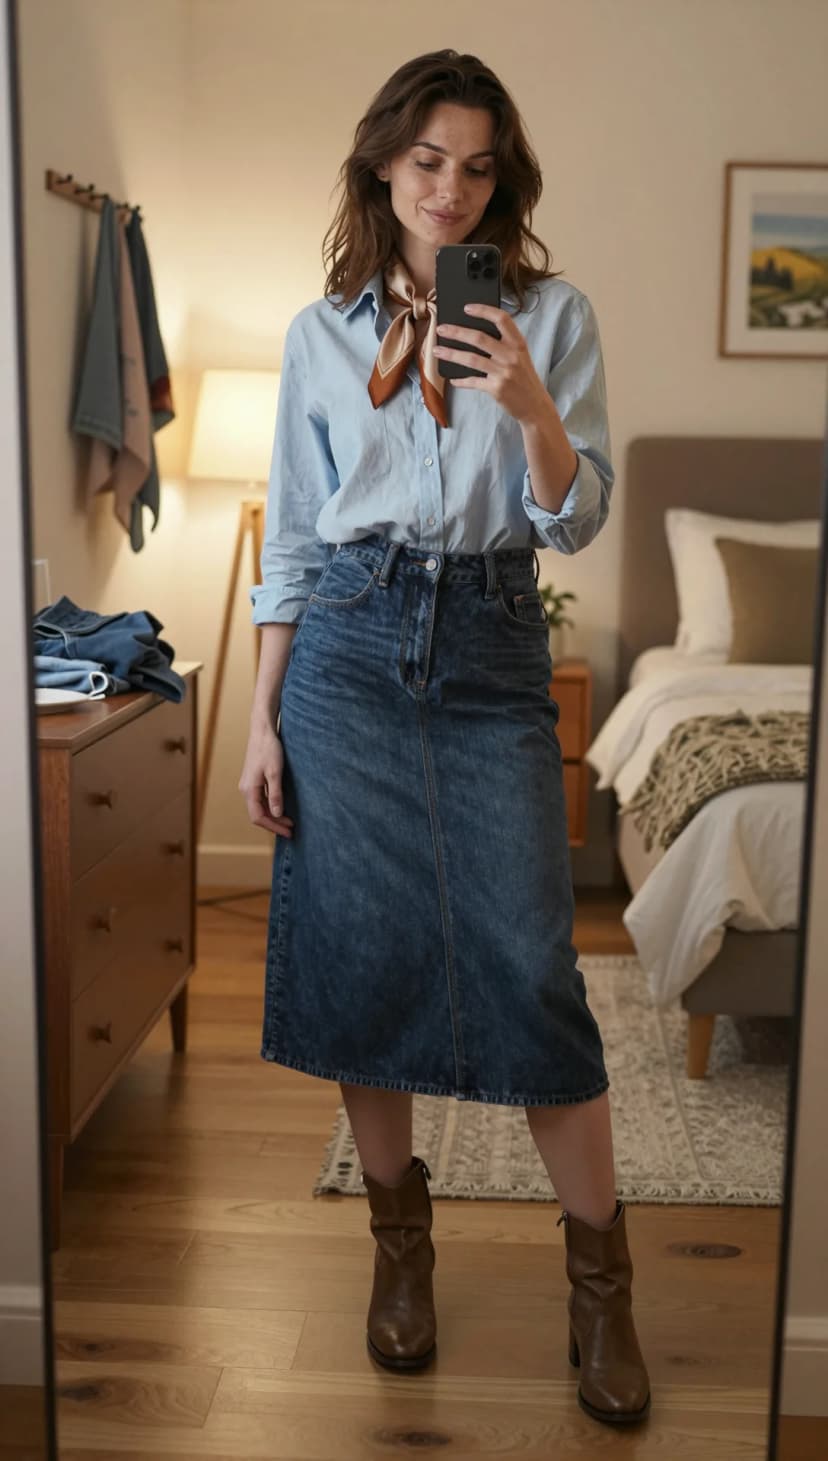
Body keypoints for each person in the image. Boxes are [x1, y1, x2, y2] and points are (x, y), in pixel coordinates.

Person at [239, 49, 650, 1428]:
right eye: (429, 163)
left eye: (478, 168)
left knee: (535, 964)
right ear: (383, 165)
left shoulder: (556, 316)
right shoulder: (318, 334)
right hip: (345, 652)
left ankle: (604, 1291)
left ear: (501, 179)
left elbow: (573, 517)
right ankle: (399, 1254)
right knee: (363, 951)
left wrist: (532, 402)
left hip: (488, 638)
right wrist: (260, 721)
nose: (452, 191)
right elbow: (293, 541)